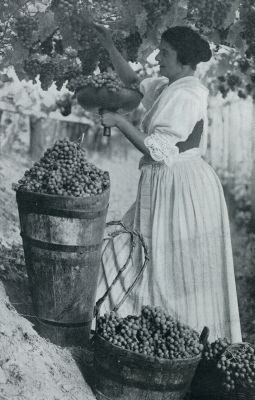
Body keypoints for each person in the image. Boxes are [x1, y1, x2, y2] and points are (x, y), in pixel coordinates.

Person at [91, 24, 242, 342]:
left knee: (172, 269)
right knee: (141, 256)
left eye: (166, 52)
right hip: (168, 181)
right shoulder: (171, 84)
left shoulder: (186, 94)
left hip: (181, 185)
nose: (158, 56)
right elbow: (133, 82)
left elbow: (156, 149)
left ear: (184, 59)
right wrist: (108, 44)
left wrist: (118, 121)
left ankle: (173, 344)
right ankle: (131, 335)